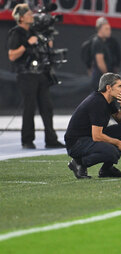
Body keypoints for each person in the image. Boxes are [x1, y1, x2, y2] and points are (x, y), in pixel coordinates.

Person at [7, 3, 65, 149]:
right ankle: (27, 140)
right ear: (20, 18)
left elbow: (46, 46)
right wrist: (27, 44)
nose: (31, 16)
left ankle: (51, 139)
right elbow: (12, 55)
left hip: (41, 73)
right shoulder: (17, 33)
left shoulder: (34, 31)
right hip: (26, 75)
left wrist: (47, 41)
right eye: (28, 14)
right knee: (29, 107)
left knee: (47, 107)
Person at [64, 73, 121, 179]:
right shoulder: (97, 102)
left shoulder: (107, 100)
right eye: (119, 86)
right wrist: (119, 143)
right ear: (108, 87)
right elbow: (97, 136)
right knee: (112, 152)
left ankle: (107, 170)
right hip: (76, 143)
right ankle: (78, 163)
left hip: (89, 137)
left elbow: (120, 120)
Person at [91, 17, 121, 91]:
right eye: (106, 29)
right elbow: (100, 62)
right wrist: (108, 77)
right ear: (100, 29)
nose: (109, 31)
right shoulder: (98, 42)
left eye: (109, 29)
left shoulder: (107, 42)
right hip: (100, 78)